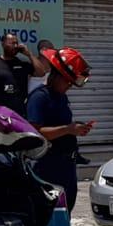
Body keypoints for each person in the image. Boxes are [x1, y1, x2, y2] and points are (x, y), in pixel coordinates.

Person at [26, 47, 93, 210]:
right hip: (49, 165)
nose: (69, 86)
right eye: (67, 82)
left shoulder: (62, 97)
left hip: (67, 165)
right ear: (56, 76)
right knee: (51, 211)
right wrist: (68, 129)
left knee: (66, 210)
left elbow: (63, 125)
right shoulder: (39, 97)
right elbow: (35, 133)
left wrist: (77, 129)